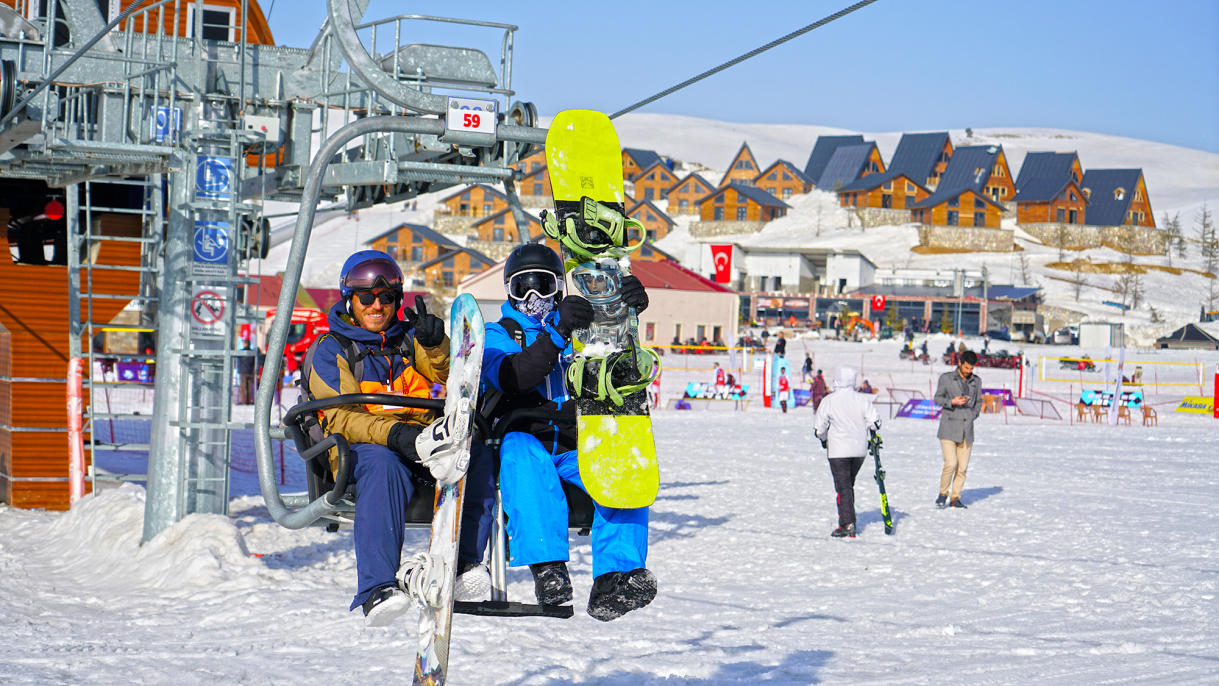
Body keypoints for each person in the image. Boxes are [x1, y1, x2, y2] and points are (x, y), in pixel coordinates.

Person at [306, 250, 495, 627]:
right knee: (384, 463)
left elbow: (454, 378)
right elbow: (342, 417)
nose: (377, 306)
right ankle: (376, 587)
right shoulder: (331, 349)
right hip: (358, 451)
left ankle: (465, 564)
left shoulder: (408, 341)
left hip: (418, 442)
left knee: (475, 452)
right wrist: (395, 434)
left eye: (387, 297)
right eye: (366, 297)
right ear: (349, 300)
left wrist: (437, 344)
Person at [482, 244, 657, 621]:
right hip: (523, 437)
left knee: (621, 467)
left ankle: (615, 578)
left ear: (560, 287)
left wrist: (624, 319)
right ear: (509, 291)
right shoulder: (497, 334)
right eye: (523, 287)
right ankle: (548, 568)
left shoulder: (588, 332)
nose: (534, 296)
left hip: (577, 442)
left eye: (543, 285)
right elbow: (513, 376)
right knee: (522, 453)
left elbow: (619, 377)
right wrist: (557, 333)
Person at [813, 366, 880, 538]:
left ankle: (848, 524)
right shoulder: (862, 399)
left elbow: (819, 428)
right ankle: (847, 517)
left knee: (843, 487)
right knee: (848, 485)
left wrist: (824, 439)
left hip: (838, 451)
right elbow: (875, 423)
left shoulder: (829, 400)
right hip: (859, 451)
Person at [933, 349, 981, 509]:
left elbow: (978, 401)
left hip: (967, 429)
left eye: (971, 368)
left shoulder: (976, 381)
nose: (968, 371)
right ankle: (942, 494)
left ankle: (955, 498)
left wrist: (974, 414)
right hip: (948, 427)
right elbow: (937, 399)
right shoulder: (946, 378)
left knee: (962, 467)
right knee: (951, 463)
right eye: (966, 367)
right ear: (960, 363)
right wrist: (951, 401)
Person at [236, 340, 255, 404]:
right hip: (250, 371)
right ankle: (249, 399)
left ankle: (244, 400)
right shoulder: (252, 352)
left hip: (243, 371)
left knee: (243, 386)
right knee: (249, 386)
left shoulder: (241, 352)